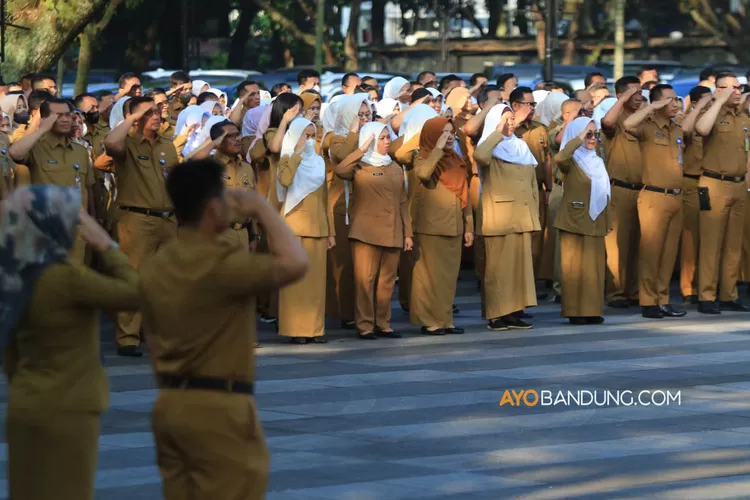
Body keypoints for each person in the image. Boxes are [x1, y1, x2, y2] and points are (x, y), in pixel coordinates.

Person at [140, 158, 308, 500]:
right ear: (213, 207)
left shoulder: (158, 265)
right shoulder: (219, 264)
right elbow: (294, 263)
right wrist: (261, 206)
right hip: (219, 408)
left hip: (171, 402)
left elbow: (155, 343)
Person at [2, 185, 139, 500]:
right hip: (69, 409)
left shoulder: (13, 274)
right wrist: (107, 246)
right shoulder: (66, 277)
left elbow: (9, 356)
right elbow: (137, 293)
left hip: (25, 403)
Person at [103, 96, 179, 356]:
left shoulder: (167, 146)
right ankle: (128, 338)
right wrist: (132, 119)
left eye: (158, 111)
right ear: (133, 118)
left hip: (168, 219)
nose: (156, 116)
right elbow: (110, 143)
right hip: (137, 220)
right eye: (148, 113)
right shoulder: (127, 145)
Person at [335, 121, 413, 339]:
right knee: (365, 280)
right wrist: (361, 149)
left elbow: (403, 202)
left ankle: (383, 323)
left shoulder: (395, 167)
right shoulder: (359, 166)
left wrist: (408, 233)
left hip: (393, 230)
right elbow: (341, 170)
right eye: (381, 138)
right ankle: (365, 325)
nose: (387, 142)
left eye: (388, 137)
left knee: (387, 281)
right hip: (365, 232)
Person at [622, 84, 687, 319]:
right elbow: (627, 125)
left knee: (669, 253)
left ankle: (663, 299)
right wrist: (652, 106)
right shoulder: (647, 127)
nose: (675, 104)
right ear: (658, 102)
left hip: (676, 196)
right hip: (654, 196)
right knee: (651, 251)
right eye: (669, 100)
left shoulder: (678, 128)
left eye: (676, 99)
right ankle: (648, 301)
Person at [474, 104, 540, 330]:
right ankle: (496, 315)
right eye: (505, 119)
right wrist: (498, 131)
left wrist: (534, 216)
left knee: (519, 269)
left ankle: (514, 312)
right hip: (498, 217)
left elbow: (532, 184)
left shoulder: (520, 146)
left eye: (512, 119)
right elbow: (480, 156)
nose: (510, 123)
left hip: (522, 216)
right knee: (498, 269)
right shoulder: (490, 145)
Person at [8, 97, 94, 263]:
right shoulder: (36, 147)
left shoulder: (80, 151)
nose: (65, 119)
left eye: (68, 115)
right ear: (46, 118)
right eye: (58, 115)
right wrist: (41, 129)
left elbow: (86, 189)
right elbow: (15, 153)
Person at [411, 117, 473, 334]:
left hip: (454, 226)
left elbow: (466, 197)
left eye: (451, 133)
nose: (449, 137)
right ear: (432, 135)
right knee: (429, 276)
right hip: (431, 227)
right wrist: (437, 150)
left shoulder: (456, 158)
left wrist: (469, 227)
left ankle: (445, 320)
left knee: (447, 277)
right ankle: (429, 321)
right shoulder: (423, 157)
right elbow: (423, 174)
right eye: (443, 133)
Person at [694, 73, 750, 313]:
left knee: (733, 244)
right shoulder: (713, 113)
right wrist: (717, 101)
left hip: (738, 185)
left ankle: (729, 294)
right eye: (731, 88)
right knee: (711, 243)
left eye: (739, 88)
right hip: (714, 183)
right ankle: (706, 295)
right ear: (718, 91)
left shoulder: (742, 117)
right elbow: (701, 129)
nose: (737, 92)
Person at [277, 117, 334, 343]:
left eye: (312, 136)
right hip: (293, 227)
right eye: (305, 135)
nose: (309, 140)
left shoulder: (319, 162)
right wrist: (297, 155)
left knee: (316, 283)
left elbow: (325, 199)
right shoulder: (286, 159)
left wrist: (331, 232)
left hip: (317, 227)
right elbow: (286, 181)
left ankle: (314, 329)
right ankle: (296, 330)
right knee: (295, 283)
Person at [555, 118, 610, 324]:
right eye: (588, 134)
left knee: (594, 268)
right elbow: (560, 157)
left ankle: (592, 310)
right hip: (575, 220)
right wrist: (579, 137)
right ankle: (575, 311)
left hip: (595, 220)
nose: (593, 138)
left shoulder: (596, 160)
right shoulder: (573, 159)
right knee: (574, 268)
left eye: (595, 134)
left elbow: (604, 192)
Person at [326, 93, 371, 329]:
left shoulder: (374, 134)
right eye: (359, 115)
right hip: (343, 206)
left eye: (367, 115)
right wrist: (355, 133)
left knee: (365, 265)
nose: (364, 119)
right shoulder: (337, 138)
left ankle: (366, 312)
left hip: (368, 205)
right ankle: (346, 312)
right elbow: (342, 159)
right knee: (344, 262)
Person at [600, 76, 644, 308]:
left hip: (645, 189)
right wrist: (623, 99)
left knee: (640, 242)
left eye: (641, 93)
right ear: (620, 95)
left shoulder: (644, 118)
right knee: (617, 244)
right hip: (621, 188)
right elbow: (606, 123)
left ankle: (634, 290)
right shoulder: (616, 119)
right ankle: (616, 292)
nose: (638, 97)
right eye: (632, 93)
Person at [510, 87, 551, 284]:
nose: (533, 108)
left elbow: (546, 161)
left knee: (536, 241)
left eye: (534, 104)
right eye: (529, 104)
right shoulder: (506, 128)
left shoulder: (539, 128)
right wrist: (515, 122)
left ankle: (531, 286)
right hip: (513, 193)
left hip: (536, 191)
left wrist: (549, 188)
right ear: (515, 105)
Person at [679, 85, 713, 304]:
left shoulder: (716, 122)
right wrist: (697, 108)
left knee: (709, 238)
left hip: (712, 183)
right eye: (707, 101)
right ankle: (688, 288)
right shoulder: (688, 120)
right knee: (691, 239)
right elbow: (685, 131)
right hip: (692, 182)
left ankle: (708, 285)